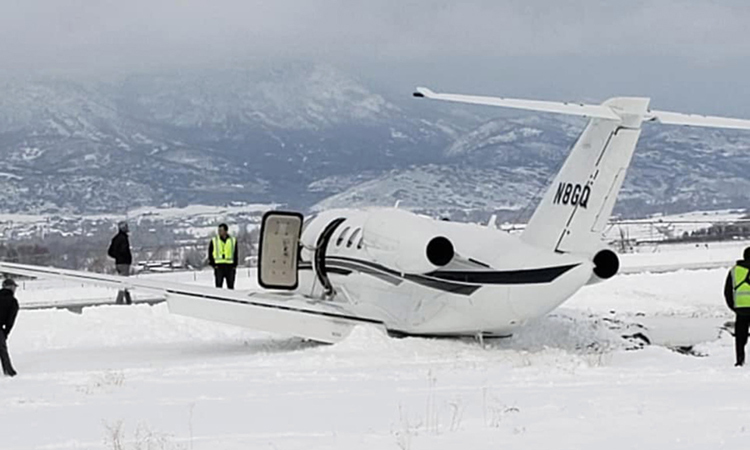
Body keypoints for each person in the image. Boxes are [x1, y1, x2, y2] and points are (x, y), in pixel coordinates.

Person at [724, 247, 750, 366]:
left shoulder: (734, 271)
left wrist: (733, 307)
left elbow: (727, 291)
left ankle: (740, 360)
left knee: (740, 336)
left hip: (740, 309)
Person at [108, 221, 133, 305]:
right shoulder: (123, 239)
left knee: (125, 282)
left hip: (118, 263)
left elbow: (110, 252)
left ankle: (129, 301)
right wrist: (123, 256)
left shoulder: (115, 238)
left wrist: (117, 257)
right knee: (124, 283)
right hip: (124, 263)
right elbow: (124, 251)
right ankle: (119, 302)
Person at [208, 223, 238, 289]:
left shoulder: (233, 240)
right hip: (219, 266)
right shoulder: (214, 240)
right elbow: (210, 253)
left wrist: (235, 265)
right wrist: (213, 264)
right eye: (219, 230)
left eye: (221, 230)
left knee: (230, 286)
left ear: (226, 231)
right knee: (218, 287)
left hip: (230, 266)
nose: (219, 232)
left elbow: (235, 253)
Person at [0, 278, 19, 377]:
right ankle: (9, 371)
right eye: (14, 287)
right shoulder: (12, 301)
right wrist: (5, 333)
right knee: (2, 350)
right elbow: (10, 321)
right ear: (11, 287)